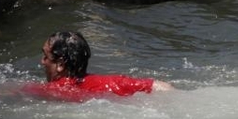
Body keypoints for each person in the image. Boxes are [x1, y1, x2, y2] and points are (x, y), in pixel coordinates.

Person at [23, 31, 174, 102]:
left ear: (61, 65)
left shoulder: (50, 90)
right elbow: (162, 87)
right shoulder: (108, 83)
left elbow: (8, 92)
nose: (42, 61)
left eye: (46, 56)